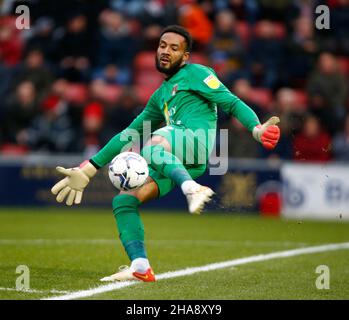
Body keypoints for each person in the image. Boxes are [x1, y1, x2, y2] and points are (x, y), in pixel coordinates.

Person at [51, 25, 280, 283]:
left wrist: (256, 128)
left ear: (185, 56)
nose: (165, 51)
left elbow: (232, 102)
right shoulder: (159, 96)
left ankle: (192, 189)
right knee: (124, 201)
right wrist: (89, 168)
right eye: (162, 45)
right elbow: (128, 134)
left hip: (194, 143)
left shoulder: (197, 73)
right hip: (179, 162)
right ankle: (140, 266)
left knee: (153, 143)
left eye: (174, 48)